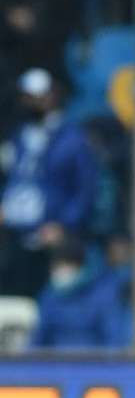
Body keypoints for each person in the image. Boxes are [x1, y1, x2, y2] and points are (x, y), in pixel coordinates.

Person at [0, 68, 100, 297]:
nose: (32, 103)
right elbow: (12, 177)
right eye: (27, 97)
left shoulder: (73, 138)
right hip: (13, 234)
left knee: (48, 296)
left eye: (38, 96)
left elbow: (86, 189)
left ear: (52, 96)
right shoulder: (17, 135)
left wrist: (64, 224)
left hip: (52, 238)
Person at [31, 239, 126, 349]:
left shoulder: (103, 295)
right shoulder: (49, 295)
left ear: (80, 267)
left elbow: (113, 340)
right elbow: (38, 338)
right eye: (56, 267)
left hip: (94, 358)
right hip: (56, 358)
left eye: (66, 266)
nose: (60, 272)